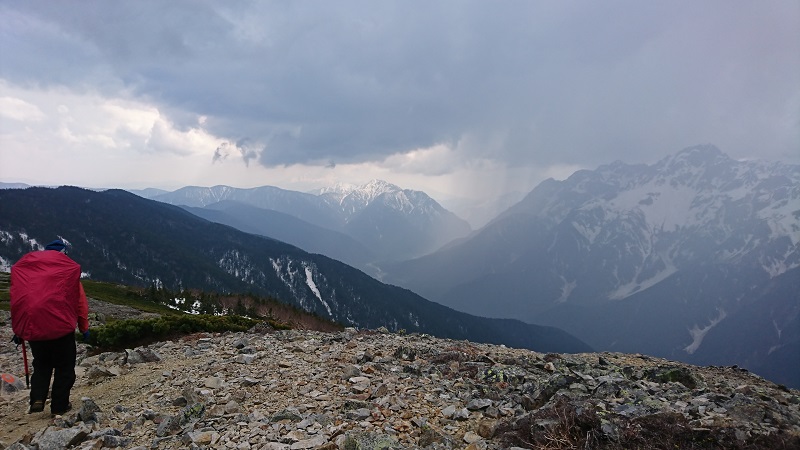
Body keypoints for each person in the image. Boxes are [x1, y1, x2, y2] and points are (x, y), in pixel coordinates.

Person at [9, 238, 89, 415]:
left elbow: (18, 301)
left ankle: (37, 399)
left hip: (33, 329)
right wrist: (84, 327)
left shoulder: (29, 273)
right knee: (64, 367)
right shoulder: (66, 273)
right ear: (63, 253)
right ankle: (59, 407)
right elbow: (80, 303)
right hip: (61, 328)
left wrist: (19, 330)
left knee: (42, 364)